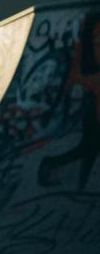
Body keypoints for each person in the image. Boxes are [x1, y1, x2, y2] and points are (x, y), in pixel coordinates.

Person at [38, 11, 100, 190]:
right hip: (92, 103)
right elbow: (74, 74)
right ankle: (50, 164)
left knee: (91, 148)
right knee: (88, 147)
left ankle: (81, 186)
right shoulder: (84, 43)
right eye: (97, 42)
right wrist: (92, 83)